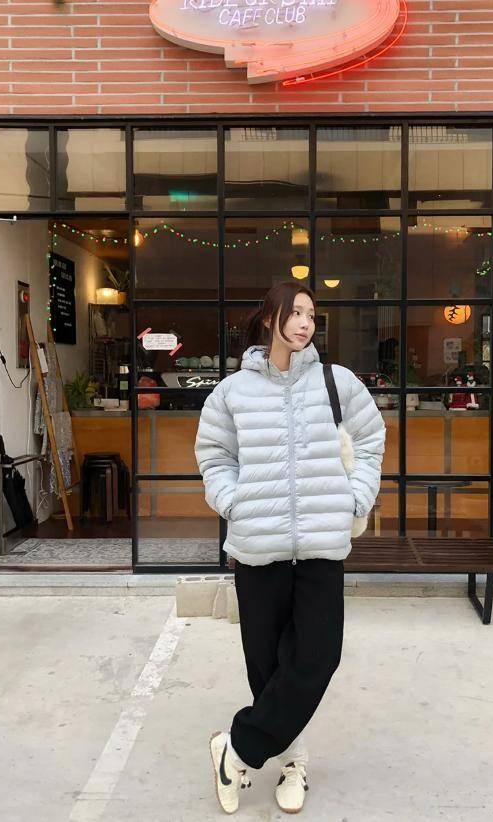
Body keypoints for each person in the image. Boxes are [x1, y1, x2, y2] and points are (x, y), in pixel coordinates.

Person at [194, 281, 386, 815]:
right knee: (267, 667)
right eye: (295, 312)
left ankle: (236, 749)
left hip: (322, 546)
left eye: (311, 315)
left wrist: (356, 497)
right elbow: (213, 455)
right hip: (259, 549)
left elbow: (371, 439)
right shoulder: (233, 392)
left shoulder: (336, 382)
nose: (305, 323)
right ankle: (292, 762)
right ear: (269, 318)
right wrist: (234, 503)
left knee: (319, 656)